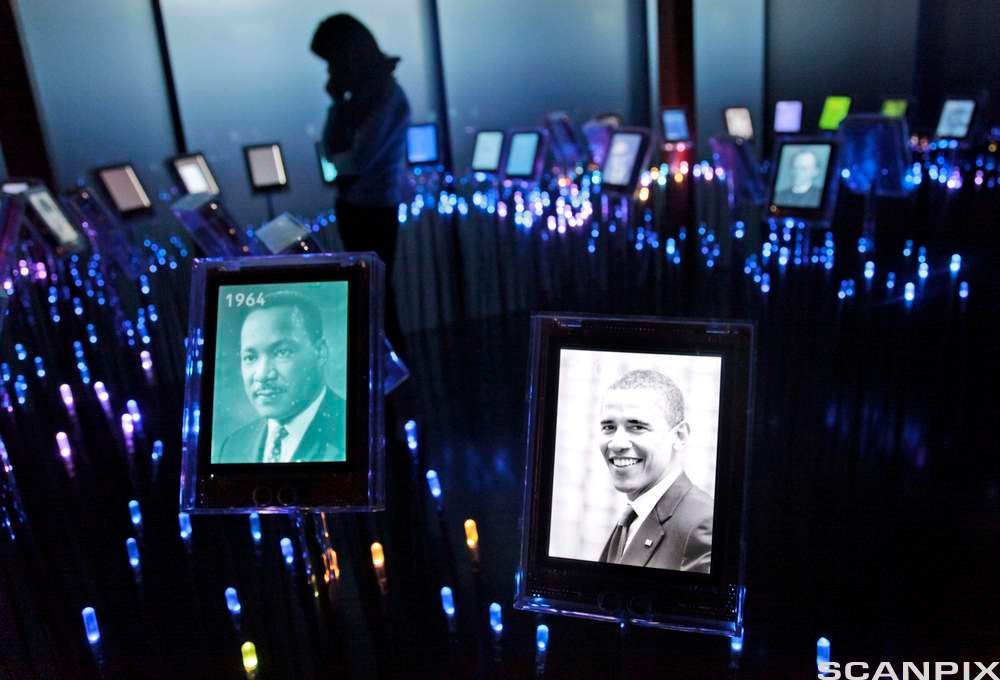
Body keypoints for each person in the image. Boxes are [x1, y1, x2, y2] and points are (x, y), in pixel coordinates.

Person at [311, 14, 409, 348]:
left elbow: (357, 158)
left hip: (374, 209)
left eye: (332, 61)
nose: (330, 71)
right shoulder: (361, 97)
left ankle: (394, 378)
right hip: (356, 205)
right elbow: (335, 152)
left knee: (377, 294)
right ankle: (389, 377)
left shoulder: (386, 96)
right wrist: (338, 104)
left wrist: (341, 159)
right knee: (373, 292)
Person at [597, 369, 713, 572]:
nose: (616, 443)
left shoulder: (703, 524)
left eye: (637, 427)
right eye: (609, 427)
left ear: (679, 436)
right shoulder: (633, 515)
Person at [216, 291, 346, 464]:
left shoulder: (353, 430)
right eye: (250, 357)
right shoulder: (233, 446)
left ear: (320, 353)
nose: (262, 375)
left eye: (282, 352)